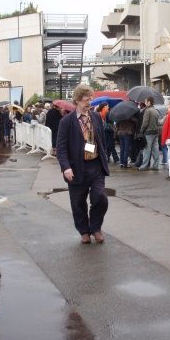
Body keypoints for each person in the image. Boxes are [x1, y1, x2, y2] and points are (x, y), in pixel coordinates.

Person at [57, 84, 109, 244]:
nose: (89, 103)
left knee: (100, 198)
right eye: (86, 100)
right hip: (76, 168)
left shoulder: (95, 118)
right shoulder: (67, 121)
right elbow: (61, 147)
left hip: (96, 166)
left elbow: (102, 141)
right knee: (78, 203)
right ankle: (84, 231)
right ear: (77, 101)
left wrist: (104, 159)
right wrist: (66, 167)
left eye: (90, 99)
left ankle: (96, 227)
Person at [138, 96, 160, 170]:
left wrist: (141, 130)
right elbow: (158, 122)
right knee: (155, 149)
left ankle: (143, 166)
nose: (145, 103)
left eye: (146, 101)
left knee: (147, 150)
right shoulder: (155, 110)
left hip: (148, 133)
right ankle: (155, 165)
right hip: (156, 132)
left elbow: (145, 122)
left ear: (149, 102)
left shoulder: (147, 110)